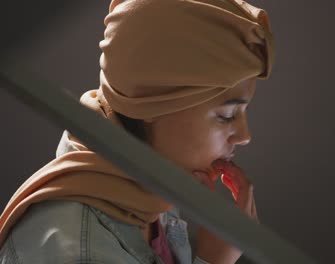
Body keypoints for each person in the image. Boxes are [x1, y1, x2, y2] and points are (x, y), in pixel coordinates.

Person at [0, 0, 274, 263]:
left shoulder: (145, 187)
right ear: (151, 105)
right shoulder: (74, 251)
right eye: (226, 115)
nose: (244, 135)